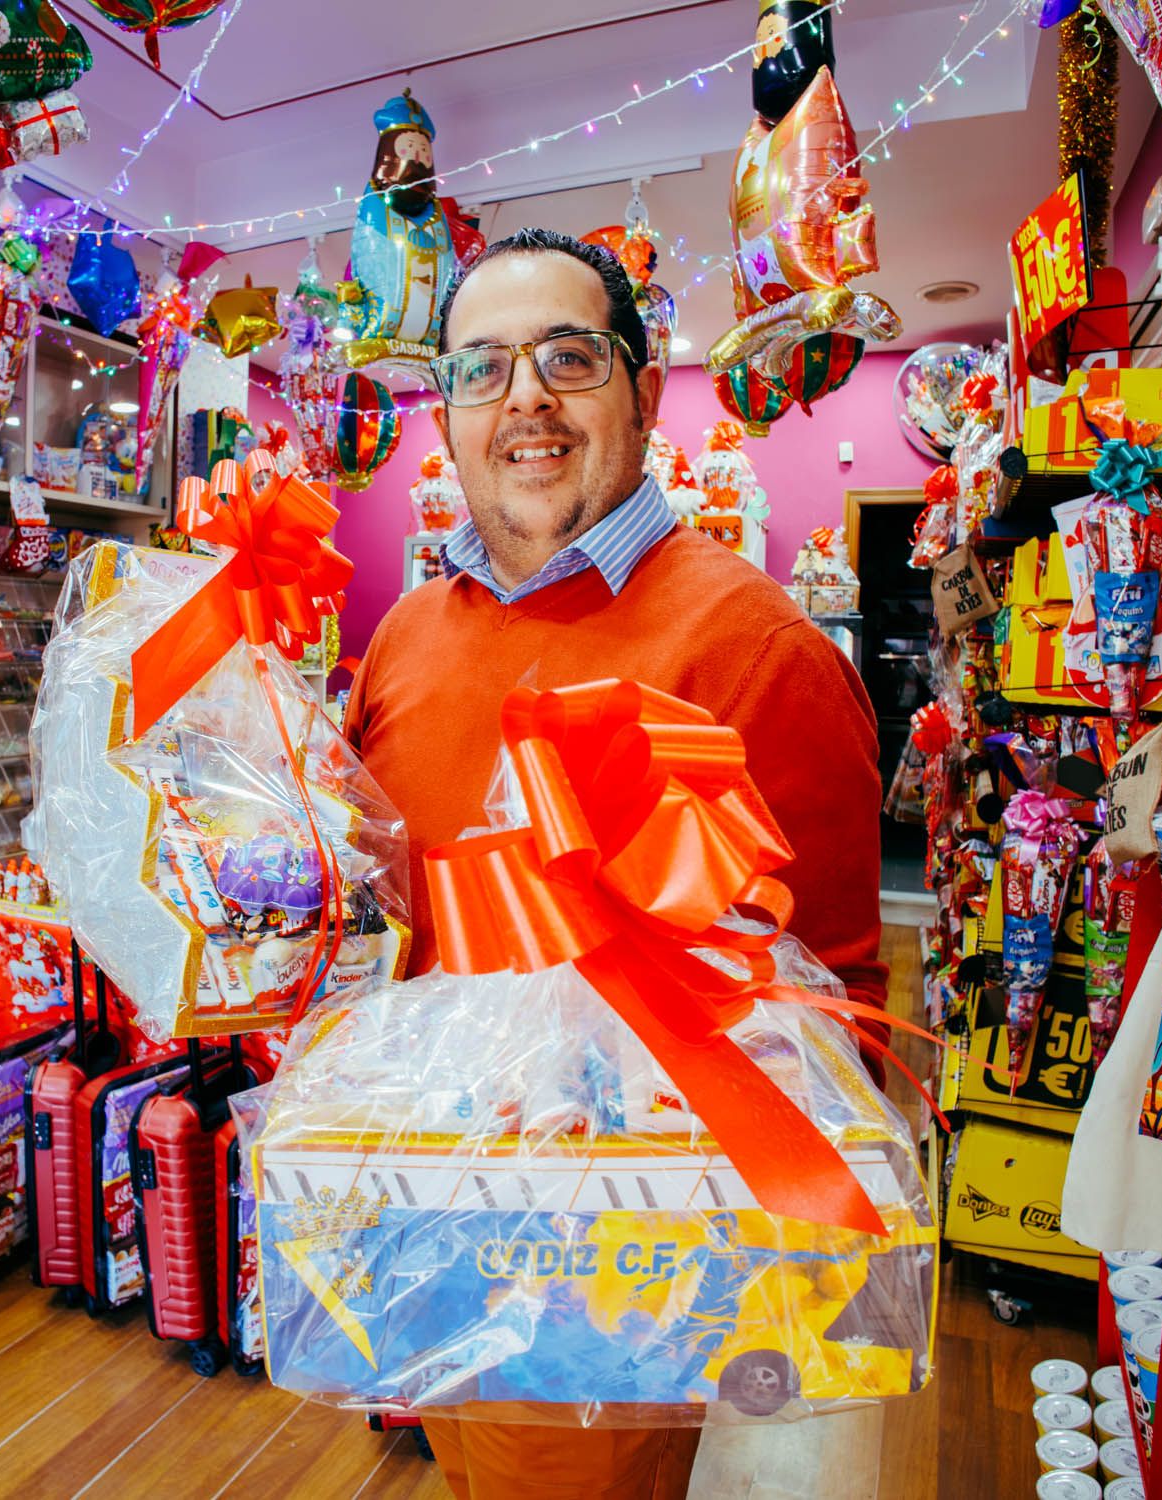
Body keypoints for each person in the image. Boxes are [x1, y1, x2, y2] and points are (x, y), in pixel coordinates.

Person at [342, 227, 888, 1499]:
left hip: (622, 1282)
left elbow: (835, 1020)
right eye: (479, 369)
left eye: (567, 357)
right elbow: (377, 923)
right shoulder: (406, 640)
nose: (522, 398)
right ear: (448, 415)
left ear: (643, 394)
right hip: (423, 1235)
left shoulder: (763, 652)